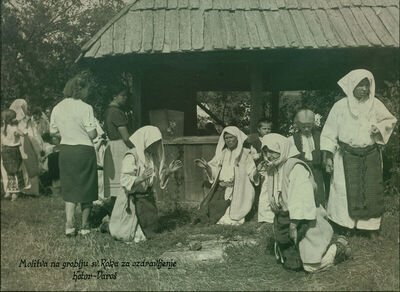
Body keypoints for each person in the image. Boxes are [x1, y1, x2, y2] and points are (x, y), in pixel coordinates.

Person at [321, 69, 397, 238]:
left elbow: (390, 120)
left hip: (370, 155)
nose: (364, 89)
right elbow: (329, 132)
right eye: (360, 85)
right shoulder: (340, 106)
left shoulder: (375, 104)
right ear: (351, 85)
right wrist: (328, 156)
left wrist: (379, 128)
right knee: (343, 191)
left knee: (370, 190)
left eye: (366, 85)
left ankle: (369, 227)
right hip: (345, 155)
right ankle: (345, 226)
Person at [258, 134, 351, 272]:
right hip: (285, 218)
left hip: (304, 220)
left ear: (282, 149)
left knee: (311, 267)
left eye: (272, 151)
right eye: (265, 152)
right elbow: (270, 195)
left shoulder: (296, 168)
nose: (268, 156)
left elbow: (301, 199)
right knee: (292, 263)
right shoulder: (273, 168)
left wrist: (294, 225)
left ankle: (338, 248)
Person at [109, 126, 182, 243]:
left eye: (158, 144)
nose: (156, 147)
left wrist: (168, 171)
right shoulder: (132, 156)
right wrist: (141, 178)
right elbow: (125, 180)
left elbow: (157, 178)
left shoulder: (149, 157)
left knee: (152, 231)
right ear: (146, 141)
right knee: (124, 234)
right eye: (154, 143)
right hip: (132, 200)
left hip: (146, 201)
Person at [50, 74, 98, 236]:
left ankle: (69, 225)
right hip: (84, 150)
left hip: (66, 151)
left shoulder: (57, 108)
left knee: (70, 188)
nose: (87, 93)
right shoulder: (86, 108)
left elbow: (53, 133)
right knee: (87, 187)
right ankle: (85, 226)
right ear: (81, 90)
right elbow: (92, 134)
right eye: (86, 90)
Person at [193, 126, 259, 225]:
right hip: (222, 188)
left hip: (237, 190)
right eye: (226, 138)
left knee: (230, 215)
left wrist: (257, 172)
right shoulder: (222, 153)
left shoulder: (245, 153)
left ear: (237, 138)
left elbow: (251, 171)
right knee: (206, 206)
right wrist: (207, 167)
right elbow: (215, 170)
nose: (228, 140)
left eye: (231, 137)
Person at [103, 90, 134, 215]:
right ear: (114, 96)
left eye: (126, 96)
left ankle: (115, 213)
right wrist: (136, 148)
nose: (125, 98)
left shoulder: (108, 110)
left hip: (112, 146)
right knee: (124, 181)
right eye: (123, 96)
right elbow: (126, 137)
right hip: (120, 146)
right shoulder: (117, 112)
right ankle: (120, 213)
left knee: (116, 184)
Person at [288, 109, 326, 207]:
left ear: (313, 124)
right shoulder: (293, 139)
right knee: (303, 192)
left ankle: (320, 212)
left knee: (319, 191)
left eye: (308, 126)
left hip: (317, 168)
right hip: (302, 169)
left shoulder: (320, 136)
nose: (306, 129)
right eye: (303, 127)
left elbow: (325, 150)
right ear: (298, 125)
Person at [9, 99, 42, 196]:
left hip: (26, 142)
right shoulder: (17, 120)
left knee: (30, 165)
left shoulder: (26, 119)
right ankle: (25, 189)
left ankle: (33, 190)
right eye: (25, 107)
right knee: (24, 166)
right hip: (22, 143)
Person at [244, 118, 273, 223]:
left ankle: (268, 210)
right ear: (259, 129)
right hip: (258, 168)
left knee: (268, 189)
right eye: (264, 129)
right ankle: (256, 210)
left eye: (269, 129)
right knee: (258, 190)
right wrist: (259, 155)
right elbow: (252, 155)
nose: (267, 131)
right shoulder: (255, 142)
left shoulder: (272, 140)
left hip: (270, 167)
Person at [1, 109, 28, 201]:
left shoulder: (3, 129)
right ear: (12, 119)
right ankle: (15, 193)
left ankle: (9, 191)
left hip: (5, 151)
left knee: (9, 171)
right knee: (17, 170)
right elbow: (24, 134)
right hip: (14, 151)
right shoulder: (15, 129)